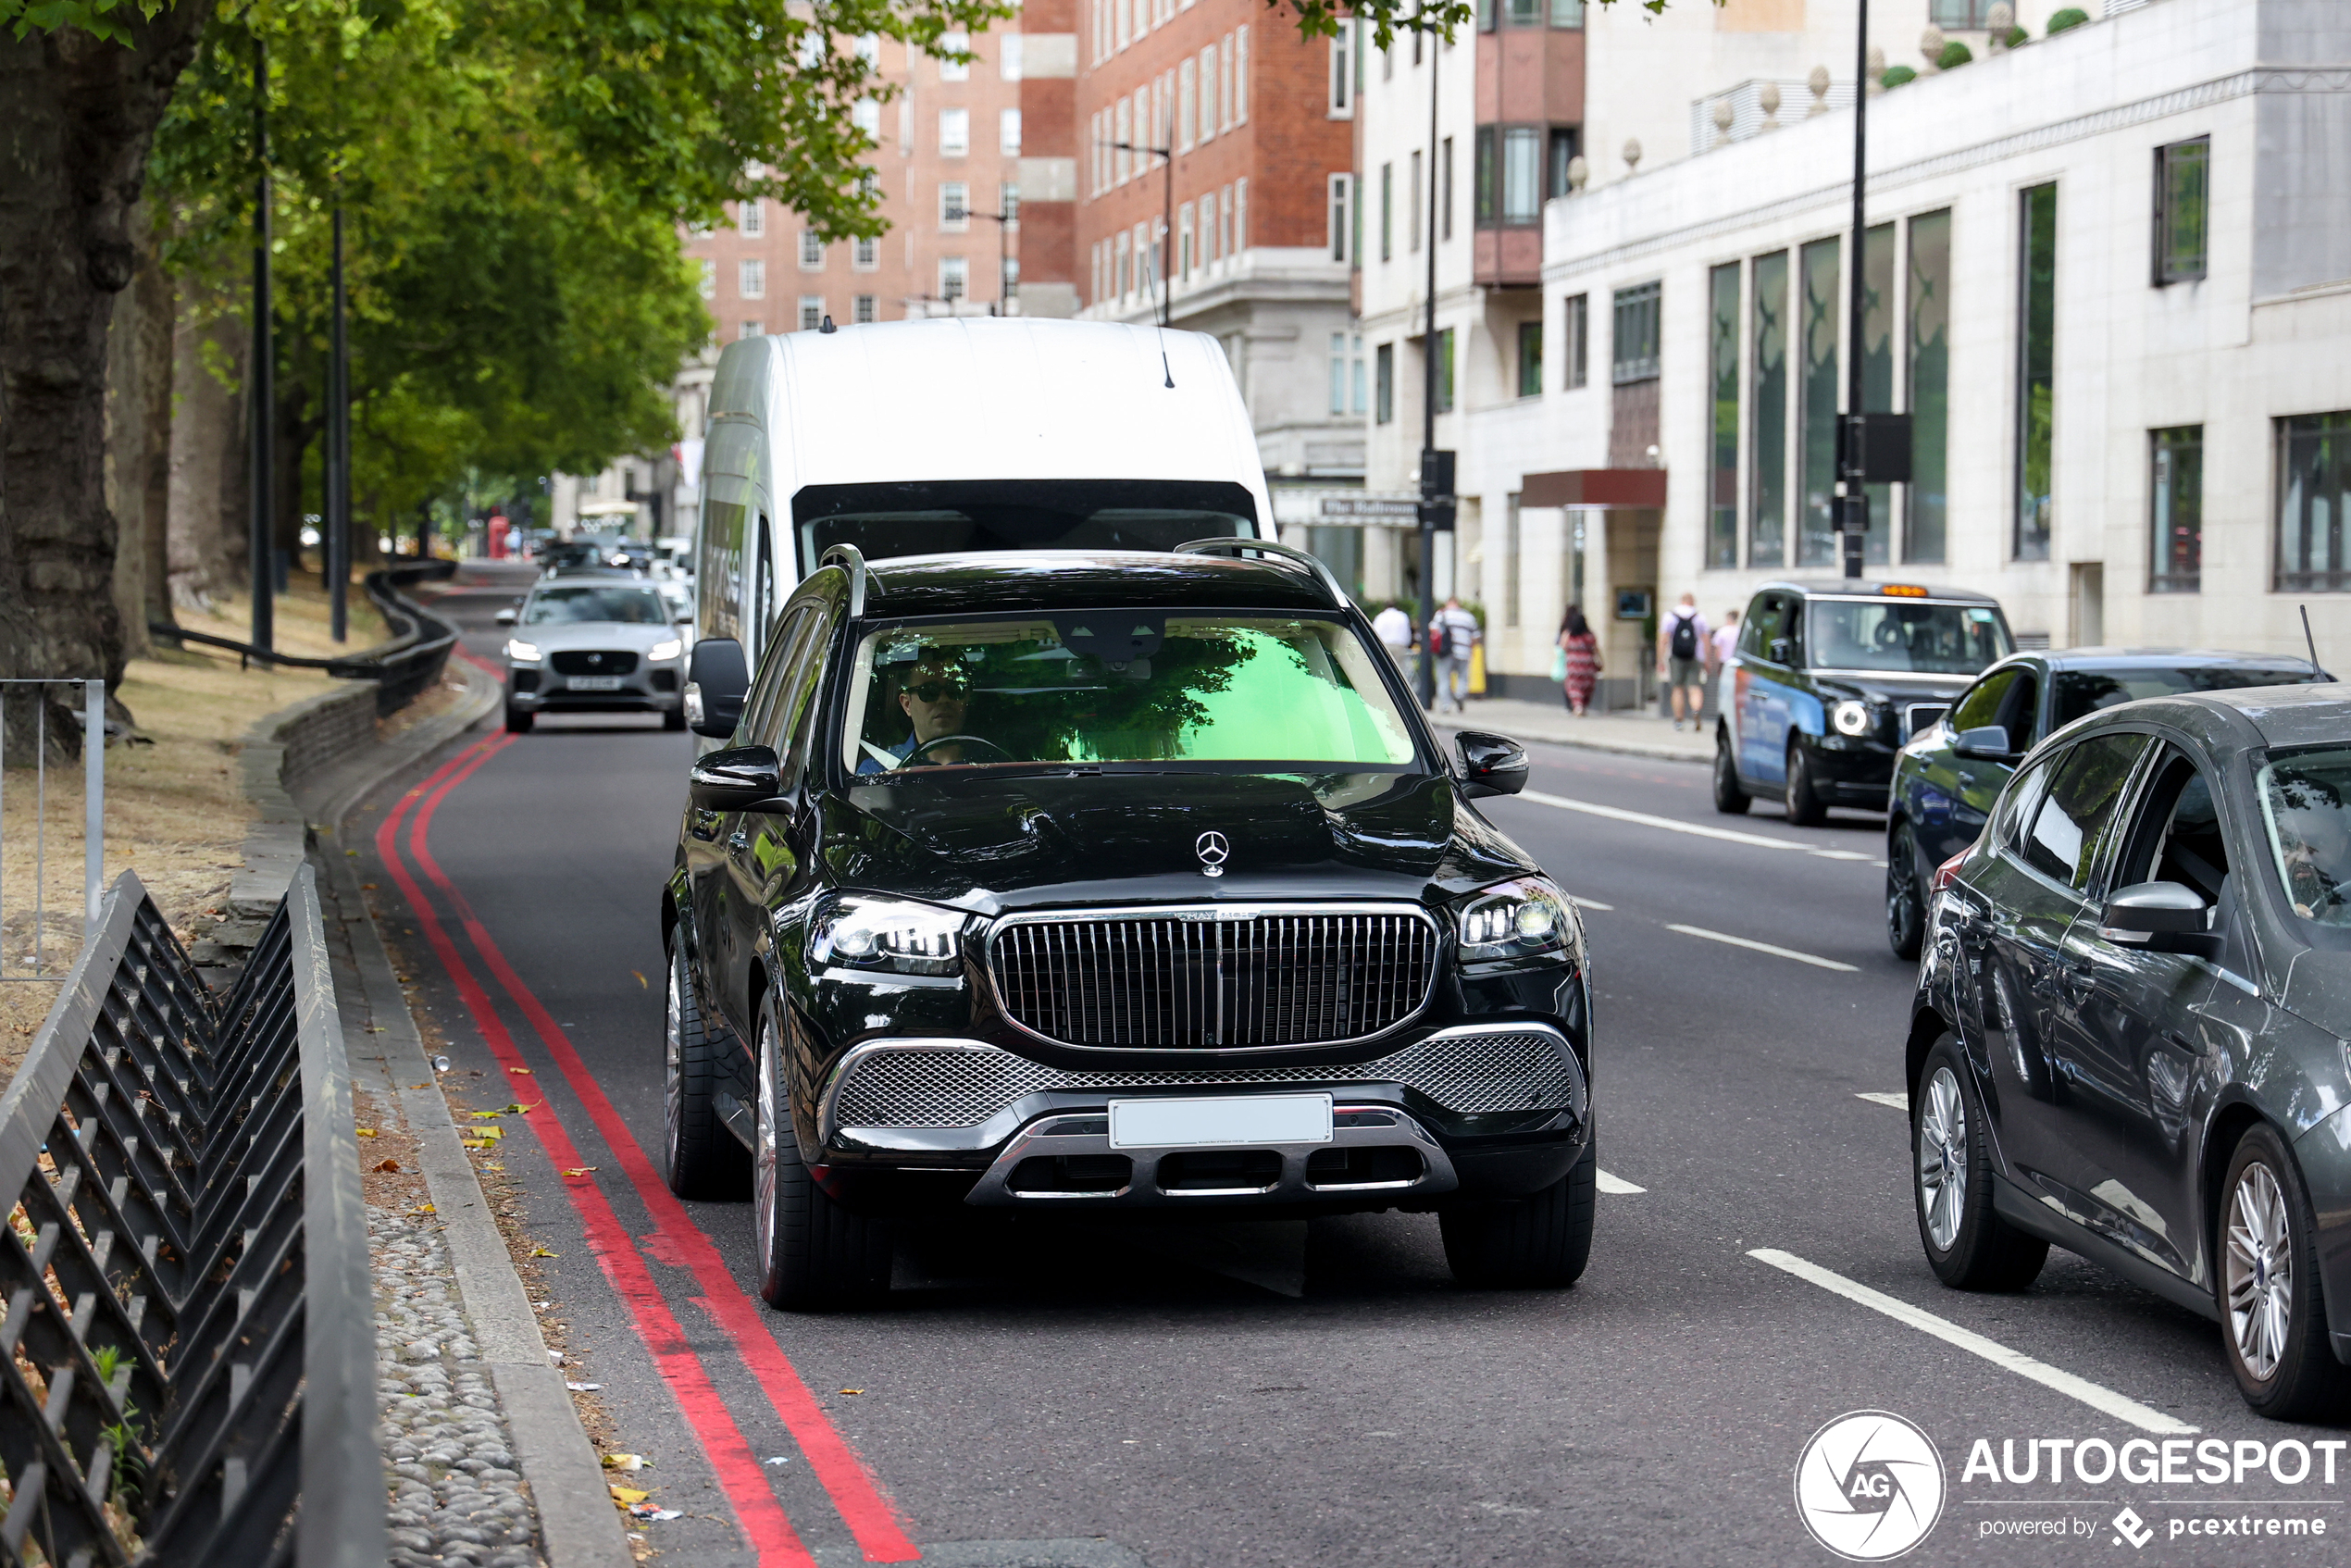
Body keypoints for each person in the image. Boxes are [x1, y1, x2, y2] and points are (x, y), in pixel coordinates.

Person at [858, 650, 975, 772]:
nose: (944, 699)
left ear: (967, 697)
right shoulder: (877, 770)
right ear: (907, 704)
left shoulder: (992, 761)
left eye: (955, 689)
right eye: (929, 692)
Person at [1656, 592, 1710, 731]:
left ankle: (1679, 721)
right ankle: (1696, 711)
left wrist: (1660, 660)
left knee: (1678, 688)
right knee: (1694, 687)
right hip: (1695, 657)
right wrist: (1707, 659)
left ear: (1681, 601)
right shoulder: (1700, 617)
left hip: (1676, 657)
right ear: (1693, 602)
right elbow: (1706, 640)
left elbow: (1663, 640)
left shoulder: (1669, 616)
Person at [1429, 596, 1481, 715]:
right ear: (1458, 604)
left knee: (1444, 678)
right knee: (1463, 677)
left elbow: (1433, 630)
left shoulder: (1441, 614)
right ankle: (1459, 695)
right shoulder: (1468, 617)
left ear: (1448, 603)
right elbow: (1476, 636)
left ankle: (1446, 706)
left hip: (1445, 652)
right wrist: (1469, 647)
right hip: (1463, 652)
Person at [1559, 605, 1602, 716]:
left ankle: (1578, 707)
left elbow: (1562, 647)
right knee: (1587, 686)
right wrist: (1601, 662)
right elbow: (1596, 650)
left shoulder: (1569, 635)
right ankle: (1583, 706)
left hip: (1573, 665)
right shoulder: (1590, 636)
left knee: (1573, 686)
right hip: (1588, 665)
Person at [1372, 602, 1413, 672]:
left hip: (1385, 645)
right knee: (1399, 669)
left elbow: (1376, 632)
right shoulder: (1402, 616)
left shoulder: (1380, 617)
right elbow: (1406, 632)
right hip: (1399, 645)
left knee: (1385, 668)